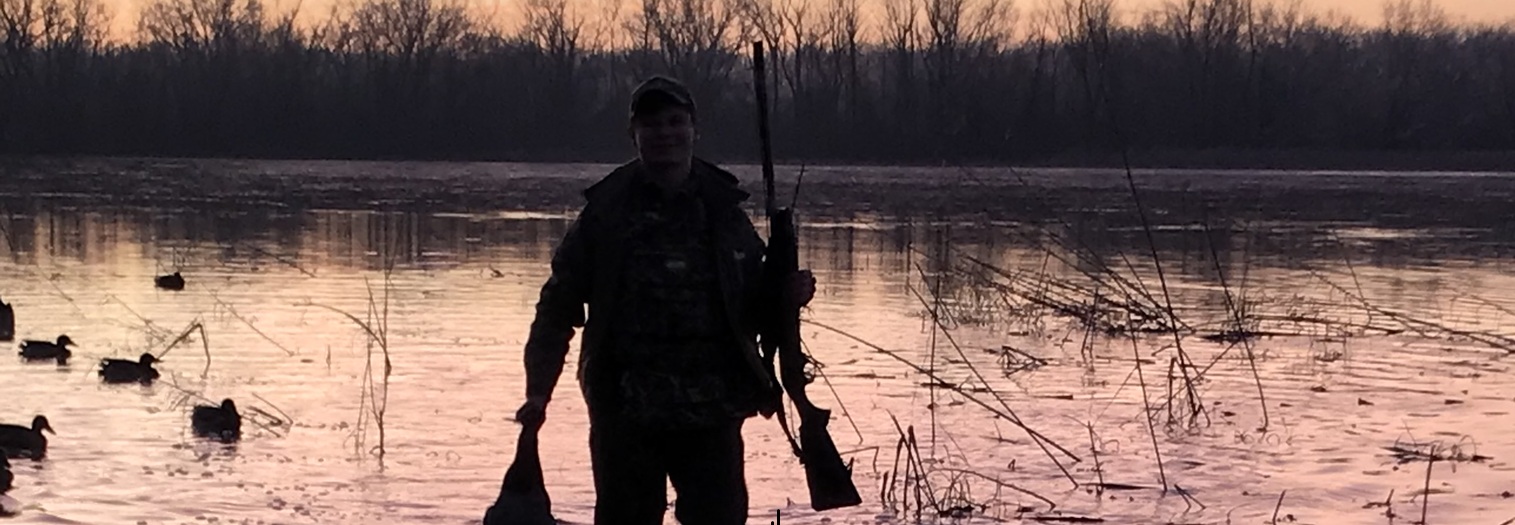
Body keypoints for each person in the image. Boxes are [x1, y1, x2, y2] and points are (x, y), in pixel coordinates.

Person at [514, 75, 816, 525]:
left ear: (695, 129)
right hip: (626, 412)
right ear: (633, 134)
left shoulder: (724, 211)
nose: (665, 134)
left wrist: (789, 293)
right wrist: (538, 393)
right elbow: (556, 310)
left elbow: (753, 305)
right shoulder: (606, 214)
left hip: (713, 412)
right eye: (651, 124)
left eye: (676, 122)